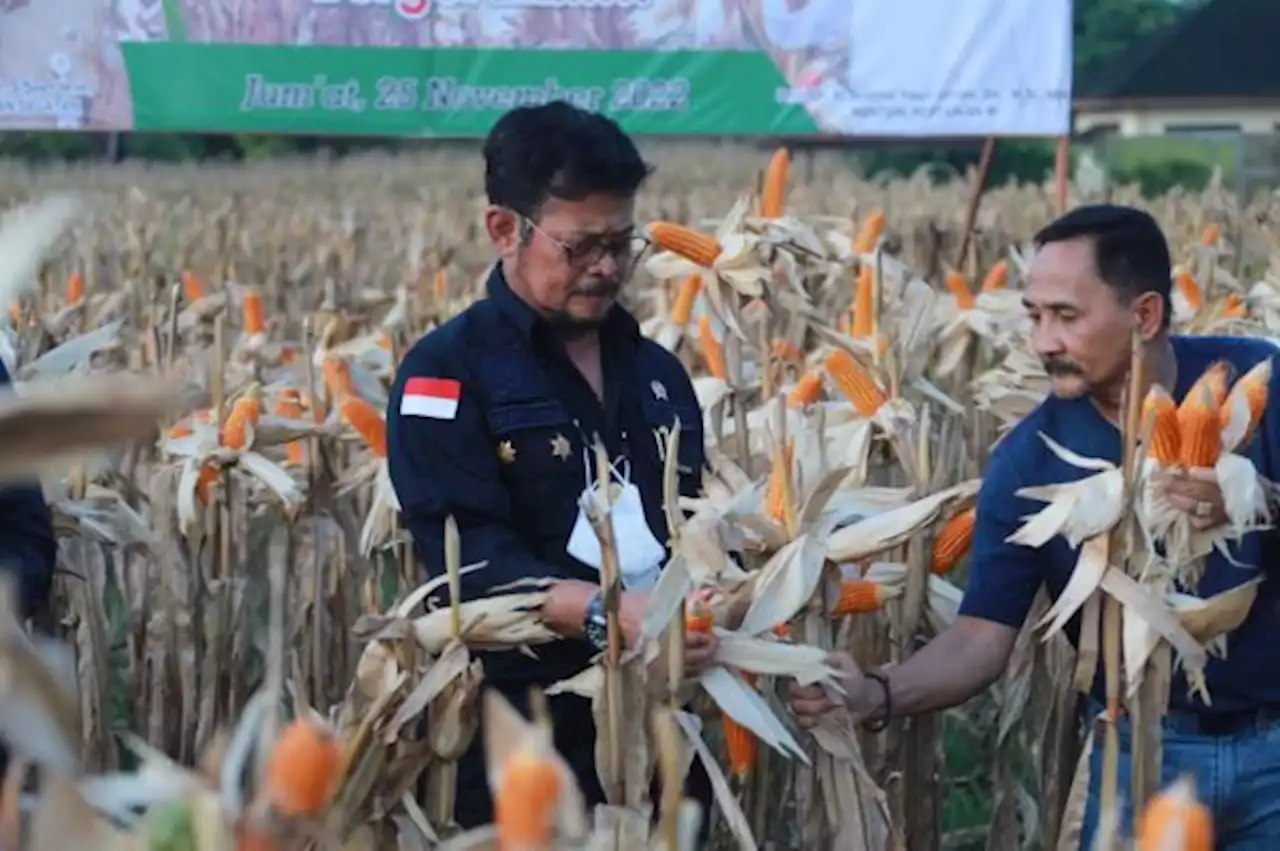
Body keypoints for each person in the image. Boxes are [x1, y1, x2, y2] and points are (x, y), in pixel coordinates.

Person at [789, 204, 1280, 849]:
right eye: (1035, 316)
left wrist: (1259, 502)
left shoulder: (1258, 387)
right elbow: (979, 639)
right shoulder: (1029, 458)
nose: (1042, 341)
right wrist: (875, 694)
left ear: (1145, 316)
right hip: (1138, 755)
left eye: (1065, 317)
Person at [387, 101, 716, 830]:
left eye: (621, 243)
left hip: (660, 739)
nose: (606, 267)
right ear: (505, 229)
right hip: (520, 742)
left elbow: (695, 527)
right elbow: (466, 560)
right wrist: (605, 615)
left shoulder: (659, 374)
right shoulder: (445, 374)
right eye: (580, 246)